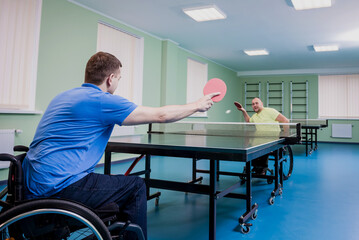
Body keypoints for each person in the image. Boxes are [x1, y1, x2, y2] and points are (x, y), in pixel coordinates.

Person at [22, 51, 219, 239]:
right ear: (110, 78)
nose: (118, 82)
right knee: (136, 186)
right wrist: (197, 105)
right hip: (60, 185)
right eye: (119, 78)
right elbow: (161, 115)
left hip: (32, 184)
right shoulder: (102, 100)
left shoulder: (62, 97)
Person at [235, 97, 289, 175]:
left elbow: (285, 120)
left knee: (262, 150)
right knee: (251, 149)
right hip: (260, 140)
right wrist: (243, 110)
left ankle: (261, 169)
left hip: (273, 140)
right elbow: (248, 121)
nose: (255, 105)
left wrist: (285, 137)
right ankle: (258, 168)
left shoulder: (270, 111)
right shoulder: (255, 116)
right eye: (253, 104)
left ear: (261, 104)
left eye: (256, 103)